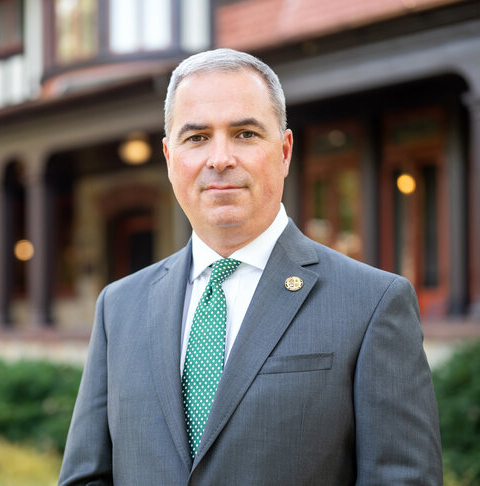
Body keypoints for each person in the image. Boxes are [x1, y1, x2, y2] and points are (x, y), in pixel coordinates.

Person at [58, 48, 442, 485]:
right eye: (197, 137)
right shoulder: (118, 307)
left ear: (284, 150)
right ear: (169, 158)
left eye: (244, 134)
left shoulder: (372, 304)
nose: (219, 158)